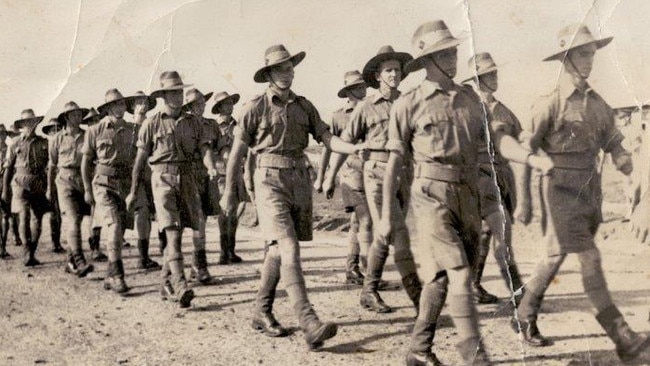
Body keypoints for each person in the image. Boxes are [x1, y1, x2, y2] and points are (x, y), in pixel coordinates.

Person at [381, 21, 554, 365]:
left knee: (442, 278)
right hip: (430, 195)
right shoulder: (409, 104)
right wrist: (386, 215)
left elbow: (497, 143)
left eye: (454, 49)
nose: (454, 56)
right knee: (459, 272)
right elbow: (394, 164)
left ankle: (418, 349)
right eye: (445, 52)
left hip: (470, 193)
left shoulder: (471, 99)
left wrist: (531, 158)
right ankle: (475, 355)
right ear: (428, 60)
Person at [515, 24, 650, 363]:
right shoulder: (550, 102)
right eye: (581, 54)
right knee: (590, 258)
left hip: (590, 193)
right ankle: (622, 335)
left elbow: (614, 142)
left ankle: (523, 314)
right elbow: (525, 150)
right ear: (566, 58)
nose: (589, 60)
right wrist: (525, 200)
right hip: (559, 191)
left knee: (553, 256)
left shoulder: (597, 103)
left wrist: (628, 167)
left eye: (591, 53)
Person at [220, 44, 365, 350]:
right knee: (288, 247)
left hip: (298, 181)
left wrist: (354, 148)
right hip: (268, 180)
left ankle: (261, 310)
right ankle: (308, 321)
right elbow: (236, 155)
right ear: (269, 74)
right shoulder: (255, 107)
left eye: (289, 67)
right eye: (280, 69)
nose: (287, 73)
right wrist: (230, 193)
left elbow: (327, 138)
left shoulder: (304, 106)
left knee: (277, 251)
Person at [326, 46, 421, 314]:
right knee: (391, 230)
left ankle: (370, 290)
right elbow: (343, 143)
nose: (394, 74)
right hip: (377, 173)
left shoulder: (408, 102)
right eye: (388, 70)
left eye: (397, 70)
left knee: (392, 231)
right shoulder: (366, 108)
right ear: (378, 76)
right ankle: (414, 297)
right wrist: (331, 176)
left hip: (404, 173)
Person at [126, 71, 218, 308]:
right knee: (173, 232)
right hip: (162, 179)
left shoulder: (193, 122)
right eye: (171, 92)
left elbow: (204, 148)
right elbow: (139, 161)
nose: (176, 96)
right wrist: (133, 190)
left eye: (179, 91)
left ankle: (165, 283)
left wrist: (210, 166)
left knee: (182, 230)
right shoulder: (151, 123)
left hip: (187, 179)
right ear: (163, 95)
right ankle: (179, 283)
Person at [462, 52, 526, 305]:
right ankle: (519, 293)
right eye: (488, 74)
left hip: (503, 177)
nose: (494, 77)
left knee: (489, 232)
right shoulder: (468, 110)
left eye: (495, 72)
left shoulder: (504, 111)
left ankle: (474, 285)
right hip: (478, 177)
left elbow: (520, 138)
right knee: (499, 231)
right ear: (477, 79)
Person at [315, 70, 370, 285]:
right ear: (348, 91)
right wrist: (324, 177)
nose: (362, 90)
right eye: (357, 87)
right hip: (351, 174)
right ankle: (361, 269)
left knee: (360, 222)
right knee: (364, 219)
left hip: (373, 172)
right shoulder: (338, 116)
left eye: (364, 85)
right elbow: (328, 148)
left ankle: (355, 267)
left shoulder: (372, 109)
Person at [82, 89, 138, 294]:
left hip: (124, 185)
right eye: (114, 105)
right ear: (106, 109)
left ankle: (109, 273)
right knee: (114, 226)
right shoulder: (95, 130)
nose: (118, 108)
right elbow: (86, 162)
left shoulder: (133, 129)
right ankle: (117, 276)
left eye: (121, 104)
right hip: (103, 184)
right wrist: (87, 189)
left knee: (120, 229)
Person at [47, 102, 94, 277]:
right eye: (74, 115)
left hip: (83, 180)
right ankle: (80, 260)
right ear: (66, 117)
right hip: (64, 180)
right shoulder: (57, 138)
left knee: (79, 220)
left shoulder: (88, 135)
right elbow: (52, 165)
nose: (78, 117)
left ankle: (70, 261)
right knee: (73, 220)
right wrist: (49, 188)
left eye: (79, 114)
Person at [2, 109, 49, 267]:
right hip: (20, 182)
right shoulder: (15, 143)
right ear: (21, 125)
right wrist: (4, 190)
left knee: (37, 219)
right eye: (26, 122)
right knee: (23, 217)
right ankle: (26, 251)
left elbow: (51, 165)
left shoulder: (44, 142)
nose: (30, 125)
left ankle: (31, 251)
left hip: (38, 182)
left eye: (32, 122)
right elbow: (8, 167)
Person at [182, 87, 218, 284]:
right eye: (196, 104)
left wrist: (214, 166)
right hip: (186, 176)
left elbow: (217, 146)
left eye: (203, 103)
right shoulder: (182, 124)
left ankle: (197, 265)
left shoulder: (210, 124)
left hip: (204, 176)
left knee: (201, 219)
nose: (201, 107)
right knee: (196, 222)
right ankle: (197, 266)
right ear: (188, 106)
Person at [125, 91, 161, 270]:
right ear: (132, 107)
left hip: (153, 174)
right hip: (135, 176)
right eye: (138, 102)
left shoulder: (154, 125)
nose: (142, 105)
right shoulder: (127, 128)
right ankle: (142, 257)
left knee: (161, 212)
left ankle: (165, 249)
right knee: (142, 213)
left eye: (145, 102)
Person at [212, 91, 246, 265]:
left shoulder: (237, 125)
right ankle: (224, 252)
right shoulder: (215, 126)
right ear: (219, 107)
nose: (230, 106)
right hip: (223, 173)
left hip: (237, 172)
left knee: (236, 210)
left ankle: (230, 250)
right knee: (225, 211)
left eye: (231, 102)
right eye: (226, 103)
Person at [82, 108, 109, 262]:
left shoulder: (102, 133)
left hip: (101, 177)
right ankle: (94, 248)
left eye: (96, 119)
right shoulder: (88, 136)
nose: (94, 122)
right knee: (95, 216)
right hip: (90, 178)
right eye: (91, 120)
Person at [38, 118, 65, 255]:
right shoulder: (43, 146)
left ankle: (56, 242)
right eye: (52, 130)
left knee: (57, 213)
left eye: (57, 129)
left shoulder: (62, 143)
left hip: (60, 180)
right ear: (48, 133)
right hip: (44, 182)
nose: (55, 132)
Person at [0, 124, 17, 258]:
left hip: (6, 184)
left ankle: (3, 247)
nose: (1, 137)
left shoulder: (10, 149)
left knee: (6, 215)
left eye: (2, 134)